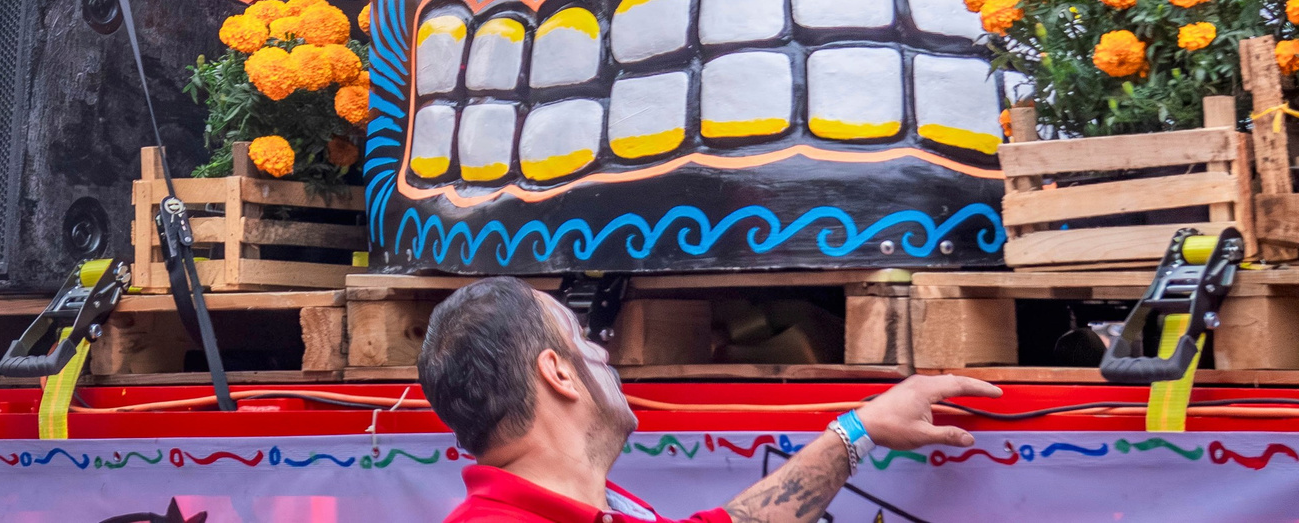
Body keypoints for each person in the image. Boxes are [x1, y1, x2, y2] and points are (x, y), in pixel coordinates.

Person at [420, 276, 1000, 523]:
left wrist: (859, 430)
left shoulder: (602, 507)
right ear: (558, 374)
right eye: (584, 340)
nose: (605, 354)